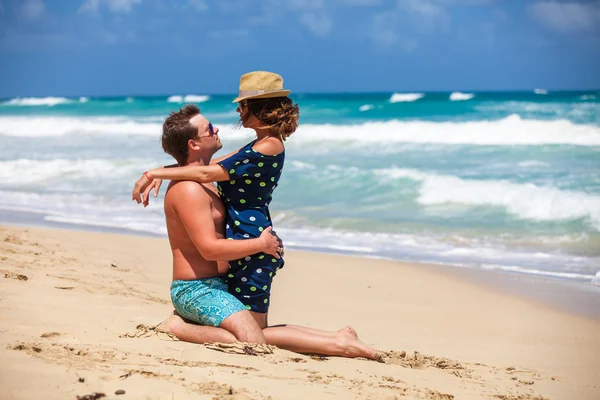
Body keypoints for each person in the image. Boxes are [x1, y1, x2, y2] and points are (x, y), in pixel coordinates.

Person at [133, 72, 382, 360]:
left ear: (257, 107)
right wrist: (160, 170)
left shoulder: (252, 154)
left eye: (242, 105)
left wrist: (155, 172)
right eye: (210, 128)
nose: (228, 120)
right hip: (201, 285)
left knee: (257, 333)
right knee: (255, 338)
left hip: (235, 266)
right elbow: (203, 180)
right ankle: (179, 327)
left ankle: (337, 341)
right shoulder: (195, 187)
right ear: (193, 144)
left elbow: (205, 168)